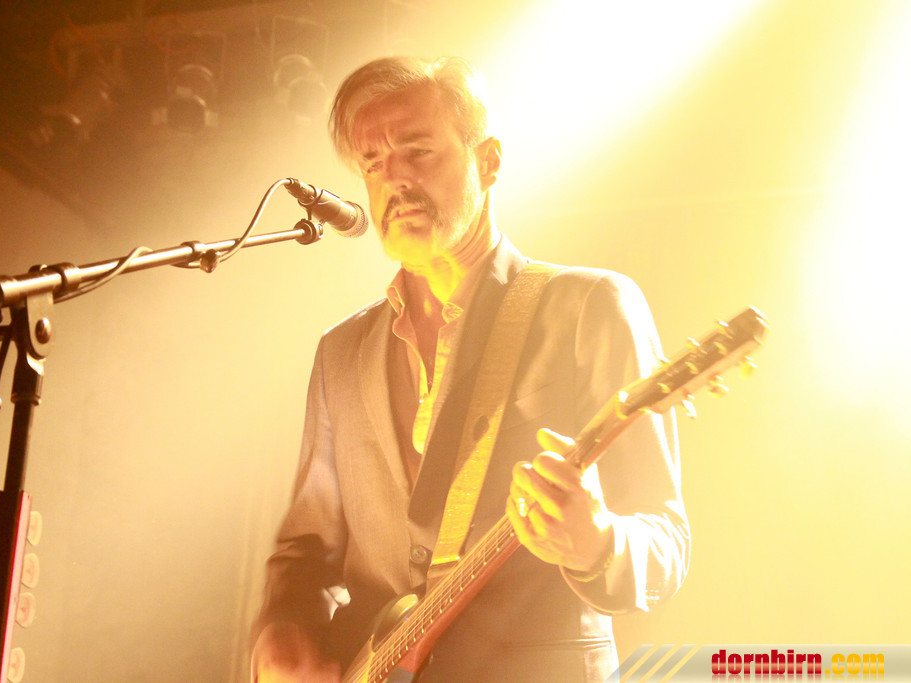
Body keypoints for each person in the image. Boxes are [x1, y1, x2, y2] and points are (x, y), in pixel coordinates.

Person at [251, 56, 690, 682]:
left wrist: (597, 545)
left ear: (488, 161)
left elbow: (665, 539)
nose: (394, 179)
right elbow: (306, 552)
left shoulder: (590, 307)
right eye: (372, 163)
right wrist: (283, 629)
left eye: (417, 151)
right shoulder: (340, 352)